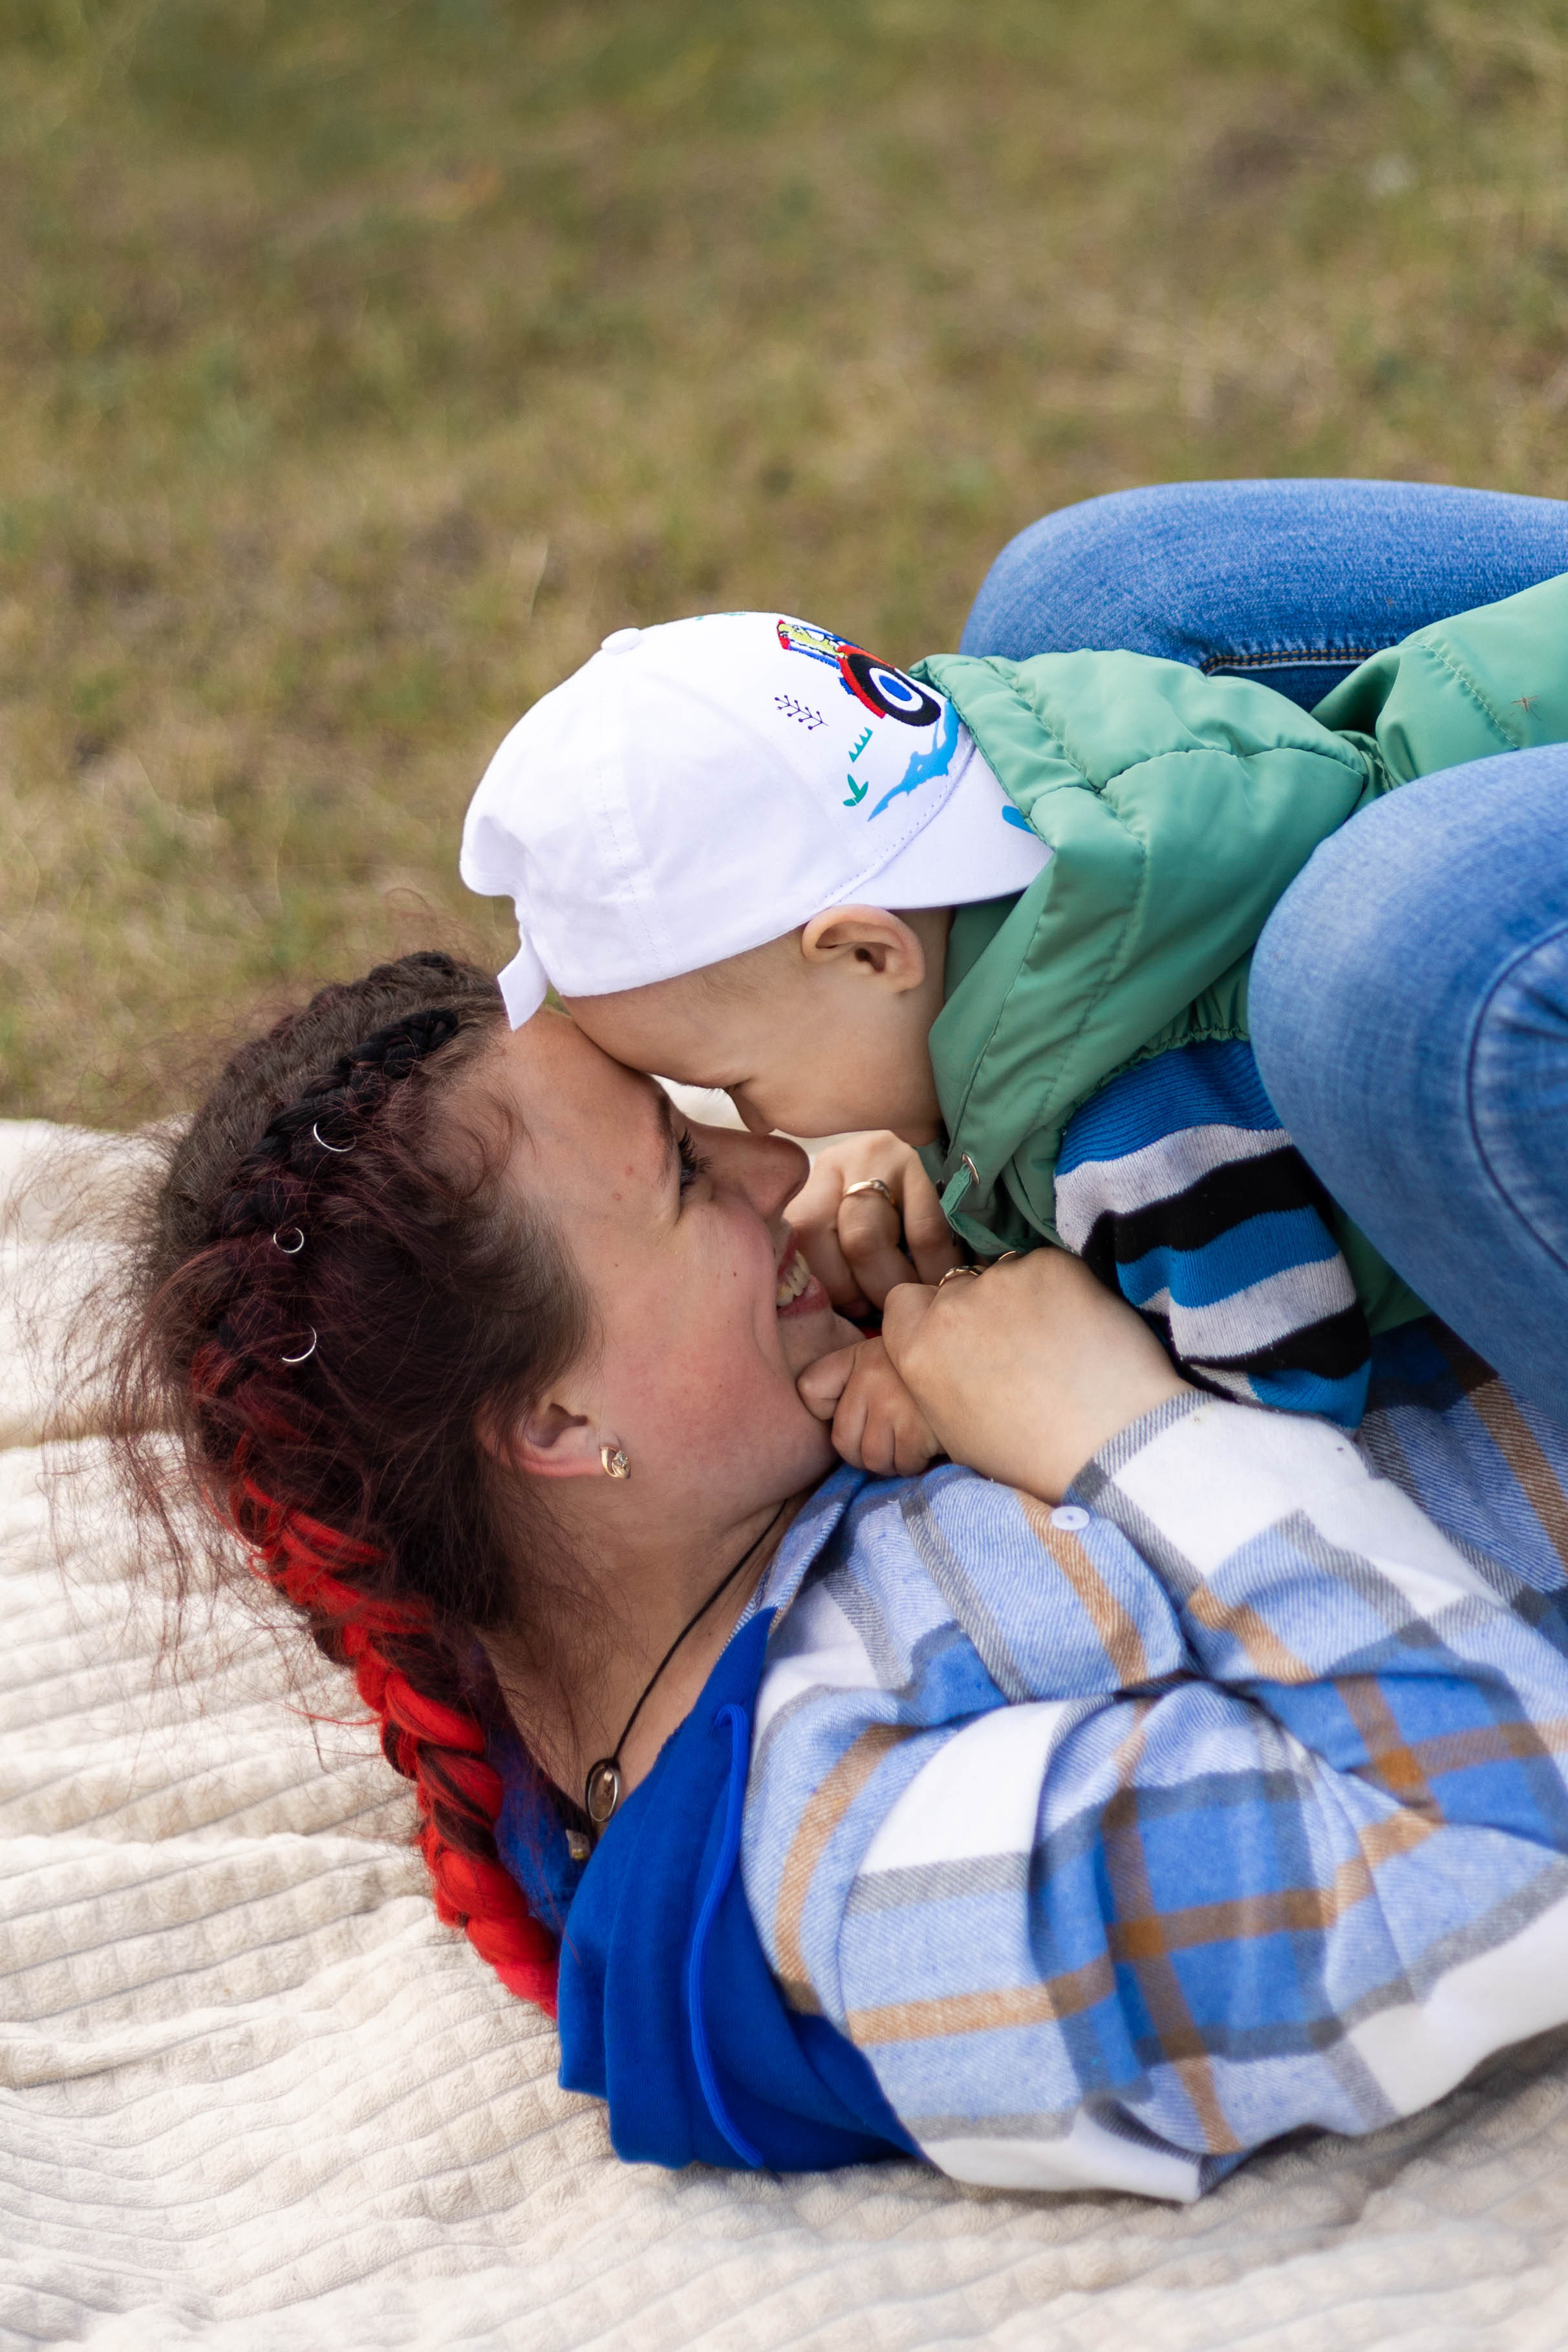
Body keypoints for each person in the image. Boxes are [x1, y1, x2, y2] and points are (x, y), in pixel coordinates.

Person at [118, 948, 1568, 2198]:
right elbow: (1502, 1861)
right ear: (556, 1421)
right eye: (685, 1174)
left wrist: (985, 1190)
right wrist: (1119, 1431)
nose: (778, 1168)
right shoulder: (861, 1882)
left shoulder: (779, 1489)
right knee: (1377, 940)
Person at [460, 546, 1568, 1433]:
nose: (766, 1137)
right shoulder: (1062, 772)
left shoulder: (1129, 1131)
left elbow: (1286, 1383)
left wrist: (962, 1396)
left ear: (867, 953)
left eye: (737, 1086)